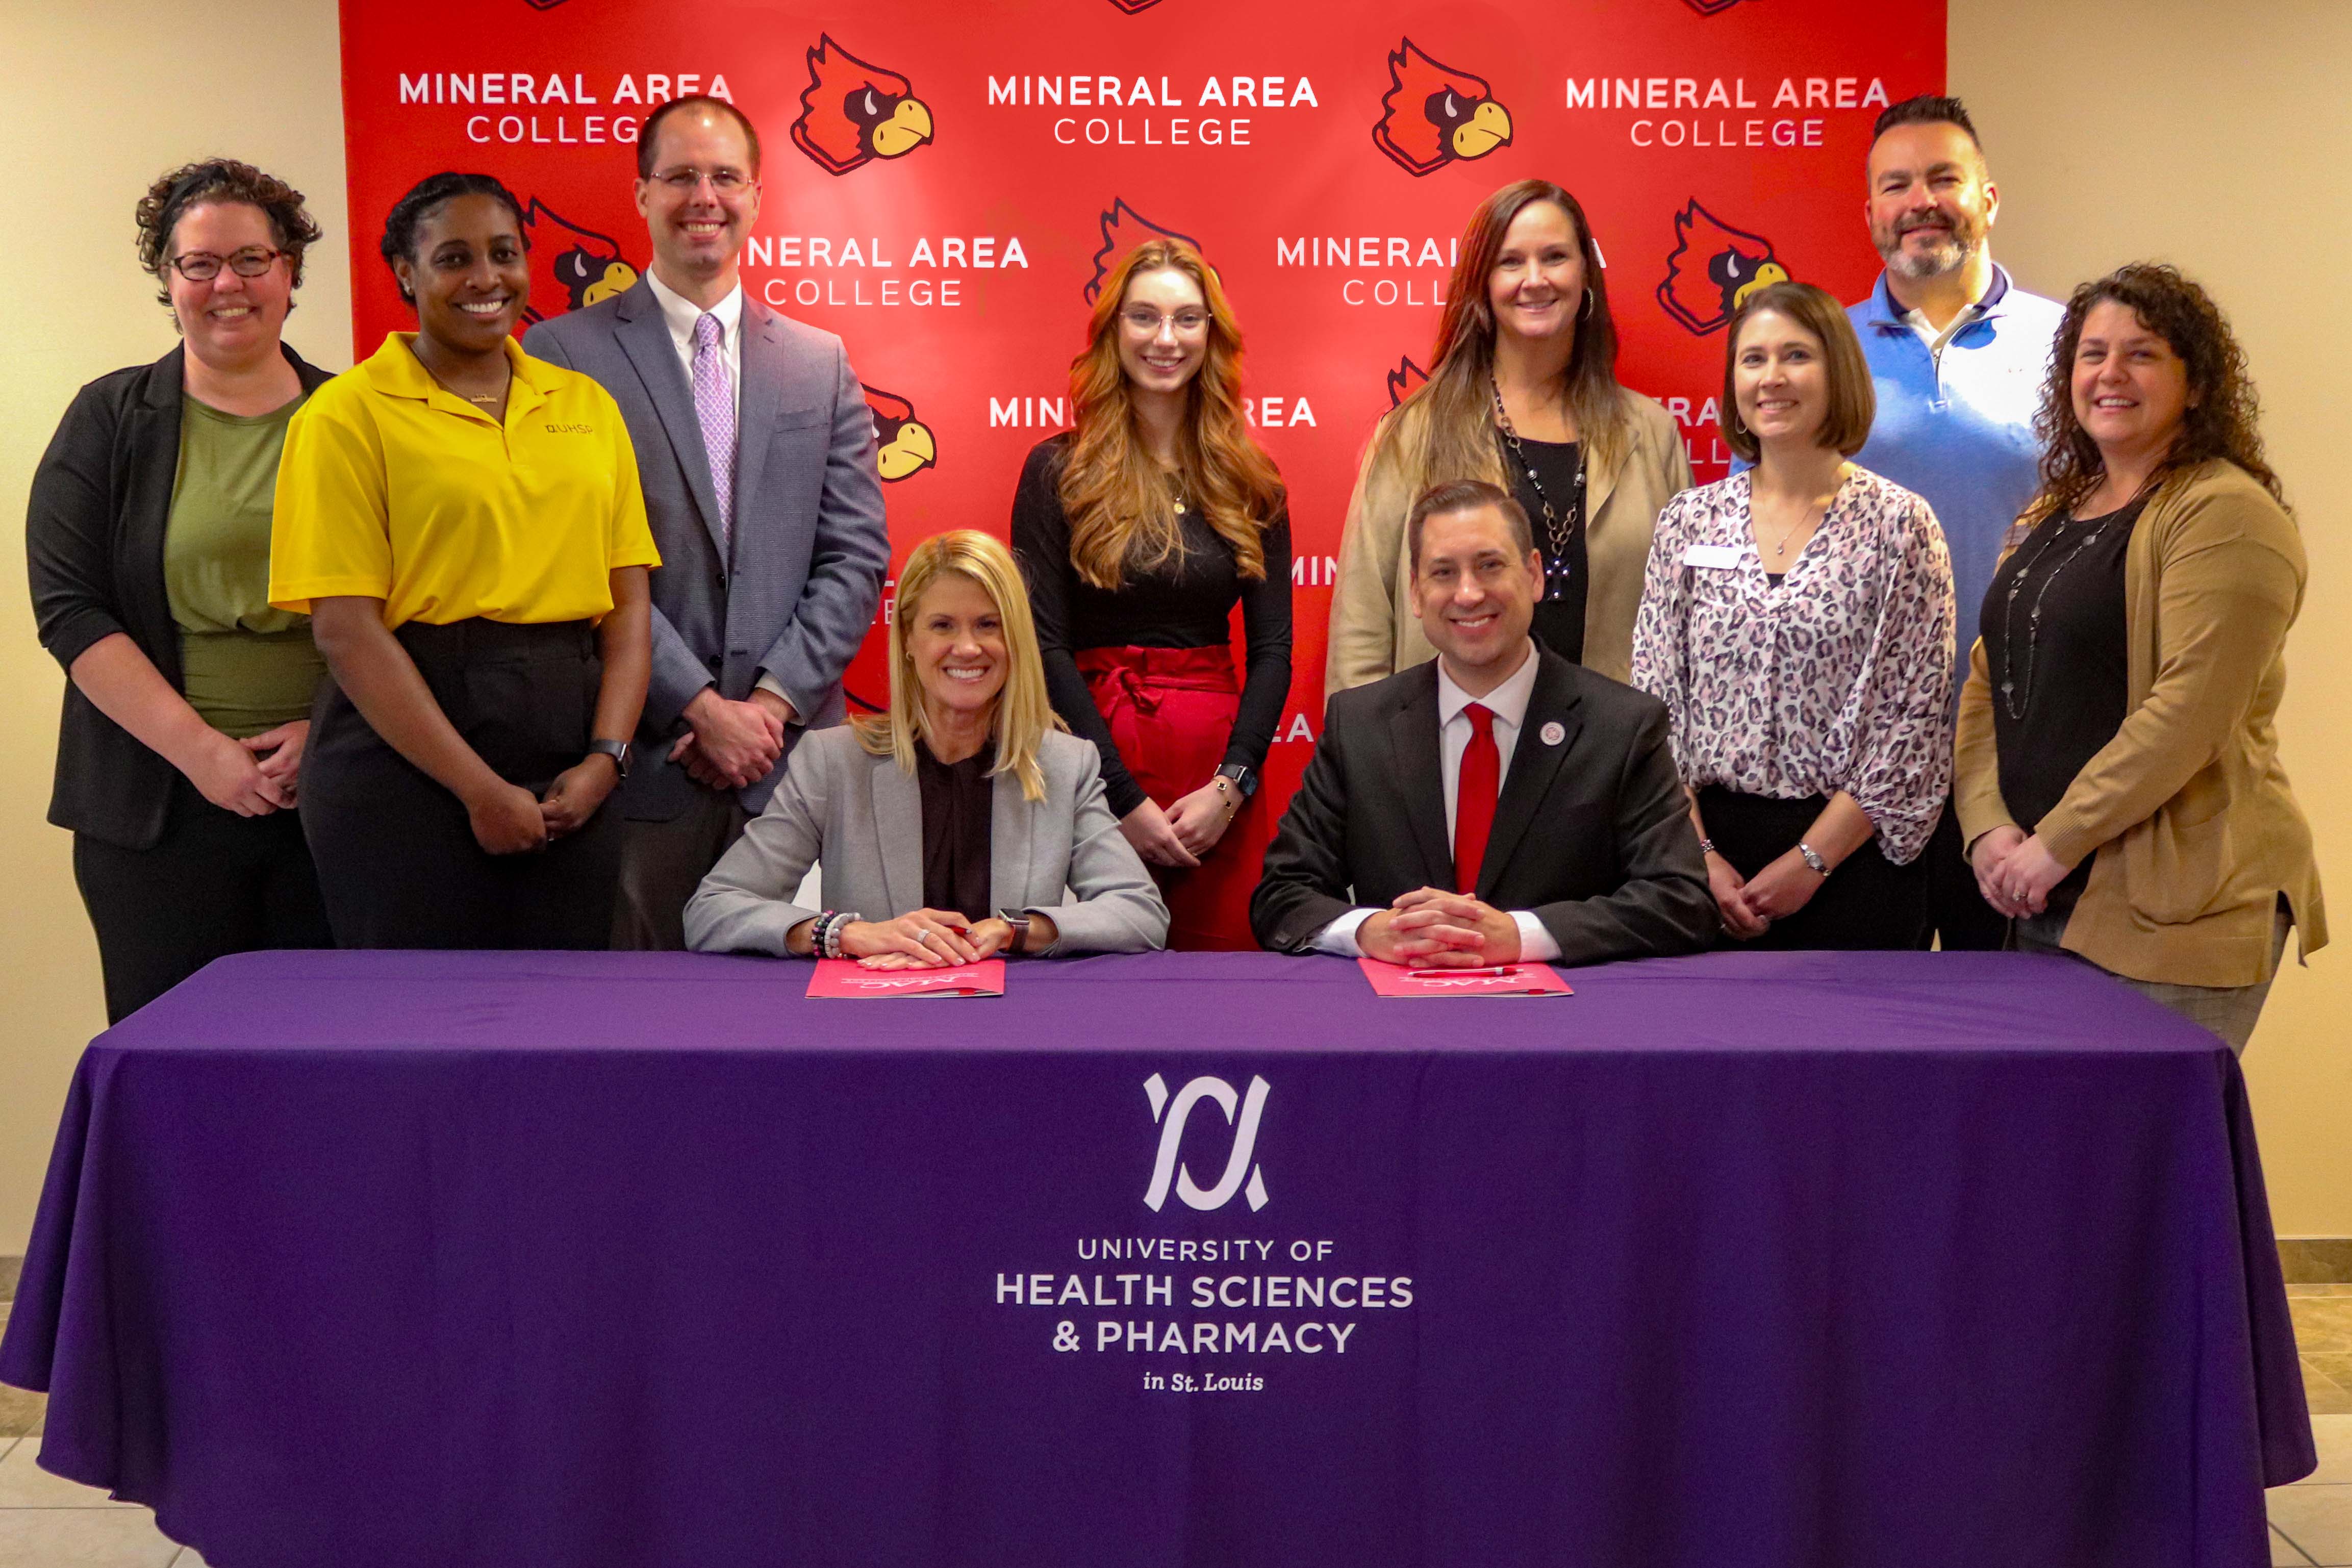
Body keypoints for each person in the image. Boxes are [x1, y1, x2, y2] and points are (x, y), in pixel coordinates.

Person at [525, 95, 890, 950]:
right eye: (681, 176)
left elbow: (855, 555)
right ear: (642, 194)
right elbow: (570, 555)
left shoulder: (819, 360)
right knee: (634, 1038)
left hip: (794, 766)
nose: (704, 196)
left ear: (757, 197)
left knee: (809, 1034)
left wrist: (764, 706)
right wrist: (696, 704)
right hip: (642, 767)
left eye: (725, 177)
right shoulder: (562, 355)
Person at [269, 173, 659, 948]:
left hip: (568, 755)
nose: (486, 279)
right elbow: (346, 632)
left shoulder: (585, 406)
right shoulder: (344, 416)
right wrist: (478, 790)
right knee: (418, 1036)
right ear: (405, 274)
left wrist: (606, 759)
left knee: (563, 1030)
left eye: (504, 253)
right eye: (453, 258)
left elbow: (629, 608)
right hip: (403, 759)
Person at [1958, 264, 2325, 1052]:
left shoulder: (2226, 514)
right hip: (2036, 890)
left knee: (2139, 1165)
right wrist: (1986, 829)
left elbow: (2185, 713)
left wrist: (2052, 843)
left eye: (2141, 353)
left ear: (2195, 385)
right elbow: (1990, 682)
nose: (2109, 375)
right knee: (2048, 1163)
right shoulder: (2048, 511)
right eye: (2091, 354)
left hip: (2174, 913)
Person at [28, 160, 336, 1021]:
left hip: (335, 800)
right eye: (198, 264)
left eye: (251, 258)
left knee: (331, 1071)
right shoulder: (110, 417)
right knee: (178, 1077)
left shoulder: (359, 420)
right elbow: (69, 607)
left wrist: (331, 732)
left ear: (290, 270)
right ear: (167, 280)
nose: (225, 284)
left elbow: (415, 601)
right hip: (157, 811)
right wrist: (205, 754)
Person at [1252, 481, 1715, 965]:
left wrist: (1521, 935)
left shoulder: (1622, 726)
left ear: (1535, 574)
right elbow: (1282, 897)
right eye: (1443, 573)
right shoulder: (1360, 724)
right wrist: (1370, 930)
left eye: (1489, 566)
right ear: (1415, 592)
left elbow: (1680, 902)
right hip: (1395, 1027)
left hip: (1567, 1027)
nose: (1468, 594)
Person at [1632, 282, 1955, 950]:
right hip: (1702, 866)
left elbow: (1913, 724)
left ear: (1835, 371)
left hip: (1852, 866)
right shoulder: (1686, 521)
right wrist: (1700, 859)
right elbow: (1653, 702)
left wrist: (1809, 862)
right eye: (1752, 360)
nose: (1771, 378)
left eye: (1795, 356)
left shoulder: (1900, 526)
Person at [686, 531, 1168, 962]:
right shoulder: (833, 762)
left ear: (1016, 640)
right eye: (943, 626)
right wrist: (847, 934)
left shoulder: (1066, 764)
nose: (967, 648)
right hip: (873, 1032)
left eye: (988, 625)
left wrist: (1014, 931)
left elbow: (1141, 912)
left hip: (1014, 1031)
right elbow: (714, 910)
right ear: (909, 640)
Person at [1011, 237, 1291, 951]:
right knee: (1091, 983)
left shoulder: (1252, 480)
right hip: (1086, 764)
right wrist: (1121, 797)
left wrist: (1230, 788)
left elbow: (1272, 650)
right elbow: (1040, 644)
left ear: (1211, 335)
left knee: (1221, 984)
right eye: (1144, 317)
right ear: (1112, 333)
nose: (1165, 338)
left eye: (1186, 319)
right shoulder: (1055, 470)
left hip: (1214, 780)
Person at [1326, 178, 1691, 697]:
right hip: (1449, 754)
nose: (1535, 279)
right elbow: (1361, 626)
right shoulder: (1416, 432)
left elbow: (1687, 623)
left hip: (1612, 761)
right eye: (1511, 261)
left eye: (1555, 257)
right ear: (1482, 282)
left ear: (1586, 274)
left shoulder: (1652, 434)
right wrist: (1362, 760)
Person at [1849, 94, 2065, 951]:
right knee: (1858, 1035)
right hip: (1856, 762)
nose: (1921, 200)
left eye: (1944, 177)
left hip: (2023, 753)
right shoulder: (1816, 347)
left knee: (2014, 1038)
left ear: (1989, 197)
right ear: (1870, 212)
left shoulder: (2073, 345)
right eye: (1896, 184)